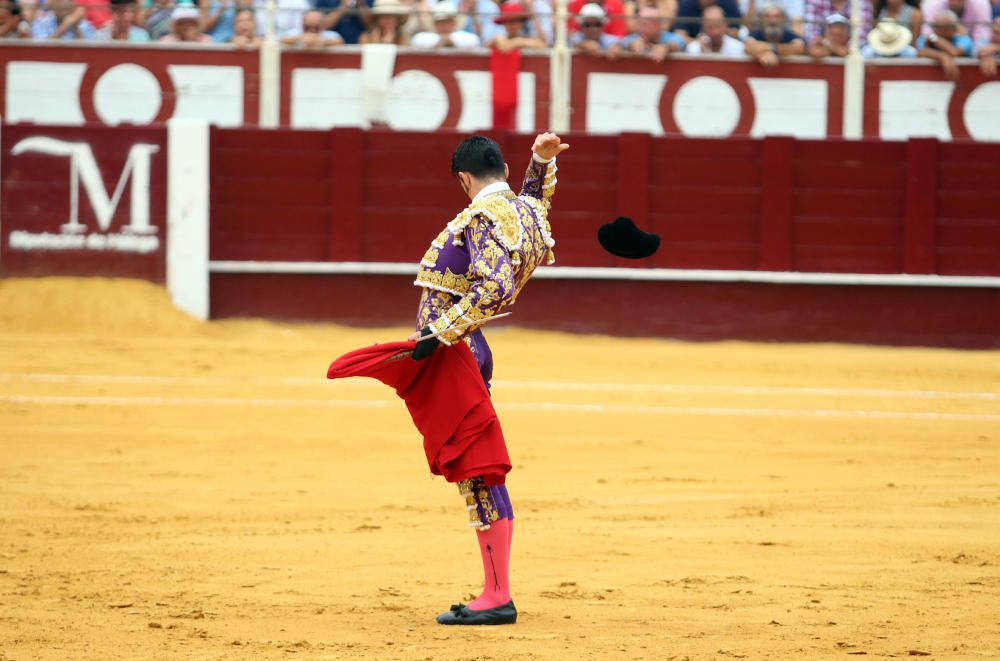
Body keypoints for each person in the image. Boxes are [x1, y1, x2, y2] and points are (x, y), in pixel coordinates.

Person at [408, 133, 568, 626]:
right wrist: (541, 162)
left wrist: (439, 333)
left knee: (477, 473)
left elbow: (494, 289)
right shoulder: (525, 214)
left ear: (463, 178)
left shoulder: (483, 218)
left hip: (456, 354)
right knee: (481, 469)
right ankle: (496, 589)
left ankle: (497, 594)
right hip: (466, 351)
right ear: (503, 166)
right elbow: (535, 202)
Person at [916, 9, 974, 80]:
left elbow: (954, 52)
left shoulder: (964, 39)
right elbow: (920, 52)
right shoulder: (926, 38)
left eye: (939, 27)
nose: (935, 29)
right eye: (934, 26)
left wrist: (935, 38)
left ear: (953, 29)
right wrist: (942, 57)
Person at [611, 5, 685, 59]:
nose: (640, 28)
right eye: (639, 24)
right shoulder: (636, 37)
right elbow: (622, 43)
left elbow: (678, 43)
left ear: (658, 25)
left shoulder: (670, 37)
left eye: (644, 24)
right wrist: (624, 46)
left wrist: (666, 48)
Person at [411, 0, 482, 47]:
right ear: (434, 24)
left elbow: (475, 41)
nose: (444, 25)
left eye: (447, 21)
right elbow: (416, 40)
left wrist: (448, 40)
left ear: (454, 23)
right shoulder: (425, 37)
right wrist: (441, 40)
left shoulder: (464, 36)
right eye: (440, 22)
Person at [920, 0, 992, 44]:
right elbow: (925, 36)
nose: (954, 3)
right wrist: (936, 40)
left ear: (954, 30)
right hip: (936, 45)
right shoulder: (934, 4)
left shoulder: (980, 4)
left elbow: (982, 38)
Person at [803, 0, 871, 43]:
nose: (836, 31)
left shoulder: (862, 2)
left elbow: (861, 39)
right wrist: (830, 47)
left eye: (840, 29)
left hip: (850, 52)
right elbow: (812, 37)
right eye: (832, 29)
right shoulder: (815, 1)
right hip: (822, 51)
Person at [674, 0, 741, 41]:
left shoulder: (729, 3)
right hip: (695, 50)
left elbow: (735, 32)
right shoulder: (686, 4)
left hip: (725, 47)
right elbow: (680, 35)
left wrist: (717, 32)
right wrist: (696, 42)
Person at [31, 0, 99, 39]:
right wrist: (64, 26)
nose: (65, 3)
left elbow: (88, 52)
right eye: (60, 0)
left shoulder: (85, 25)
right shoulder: (41, 23)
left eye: (69, 0)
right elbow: (41, 49)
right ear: (52, 5)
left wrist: (76, 28)